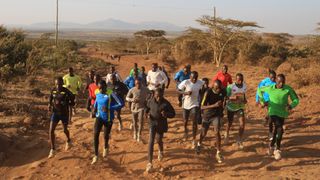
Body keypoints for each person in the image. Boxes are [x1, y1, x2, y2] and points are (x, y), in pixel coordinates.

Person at [258, 74, 299, 160]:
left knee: (277, 129)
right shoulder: (270, 87)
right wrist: (263, 102)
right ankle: (277, 149)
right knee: (280, 128)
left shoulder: (288, 89)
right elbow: (259, 90)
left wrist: (291, 106)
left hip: (282, 113)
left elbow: (296, 99)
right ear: (276, 81)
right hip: (272, 111)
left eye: (283, 82)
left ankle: (271, 146)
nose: (281, 84)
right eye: (279, 82)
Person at [91, 80, 124, 165]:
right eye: (99, 88)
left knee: (106, 136)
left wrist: (109, 108)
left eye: (102, 88)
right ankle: (96, 155)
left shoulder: (111, 93)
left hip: (108, 119)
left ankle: (105, 147)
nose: (101, 89)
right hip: (99, 117)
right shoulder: (97, 92)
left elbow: (121, 103)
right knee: (95, 134)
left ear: (106, 87)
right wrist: (94, 109)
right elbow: (97, 101)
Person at [145, 88, 175, 173]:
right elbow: (146, 109)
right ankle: (149, 163)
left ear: (162, 95)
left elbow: (173, 114)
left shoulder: (166, 103)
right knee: (151, 141)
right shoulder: (150, 101)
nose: (158, 98)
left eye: (160, 96)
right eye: (157, 96)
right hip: (152, 123)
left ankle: (161, 150)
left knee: (159, 140)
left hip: (161, 125)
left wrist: (166, 114)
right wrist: (147, 114)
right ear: (154, 94)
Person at [197, 80, 226, 163]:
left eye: (220, 88)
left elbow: (224, 100)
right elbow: (202, 107)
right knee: (203, 133)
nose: (218, 90)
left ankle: (218, 152)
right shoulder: (208, 92)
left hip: (216, 115)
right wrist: (214, 105)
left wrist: (223, 107)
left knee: (217, 132)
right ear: (213, 86)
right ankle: (199, 144)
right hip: (207, 115)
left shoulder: (223, 91)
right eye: (217, 88)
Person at [48, 77, 75, 158]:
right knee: (51, 130)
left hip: (64, 114)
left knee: (64, 130)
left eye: (59, 84)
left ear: (62, 84)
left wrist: (70, 117)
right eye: (56, 84)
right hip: (55, 113)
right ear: (55, 84)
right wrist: (49, 105)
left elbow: (72, 102)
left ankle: (68, 140)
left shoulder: (66, 92)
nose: (58, 86)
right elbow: (51, 98)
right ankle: (53, 149)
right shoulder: (53, 90)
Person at [178, 71, 204, 149]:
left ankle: (194, 139)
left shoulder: (200, 82)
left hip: (195, 104)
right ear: (190, 77)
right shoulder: (186, 82)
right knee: (185, 121)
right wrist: (185, 93)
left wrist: (202, 93)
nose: (194, 79)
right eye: (193, 78)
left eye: (196, 78)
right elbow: (178, 90)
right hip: (186, 104)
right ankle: (185, 130)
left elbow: (204, 86)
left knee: (194, 122)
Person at [225, 73, 247, 149]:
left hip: (240, 107)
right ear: (236, 79)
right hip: (231, 107)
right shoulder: (230, 87)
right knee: (229, 122)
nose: (240, 81)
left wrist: (245, 100)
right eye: (238, 80)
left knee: (242, 123)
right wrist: (232, 98)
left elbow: (243, 95)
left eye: (241, 79)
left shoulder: (244, 86)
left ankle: (239, 140)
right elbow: (226, 97)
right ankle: (227, 133)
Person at [256, 69, 277, 140]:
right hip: (266, 100)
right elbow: (259, 89)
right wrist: (258, 100)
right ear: (269, 76)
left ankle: (266, 119)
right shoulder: (264, 81)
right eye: (272, 77)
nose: (273, 79)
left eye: (274, 77)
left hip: (273, 101)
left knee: (271, 114)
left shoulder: (277, 83)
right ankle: (270, 132)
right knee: (270, 113)